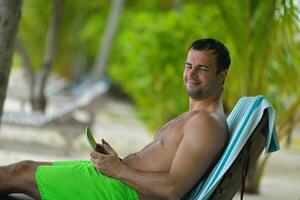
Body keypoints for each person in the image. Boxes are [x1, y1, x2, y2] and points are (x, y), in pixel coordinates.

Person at [0, 38, 231, 200]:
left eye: (202, 69)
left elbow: (173, 189)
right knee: (20, 170)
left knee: (16, 173)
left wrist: (118, 170)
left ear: (222, 75)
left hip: (116, 191)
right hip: (114, 181)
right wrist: (116, 163)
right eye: (189, 65)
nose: (191, 74)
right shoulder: (196, 117)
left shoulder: (205, 124)